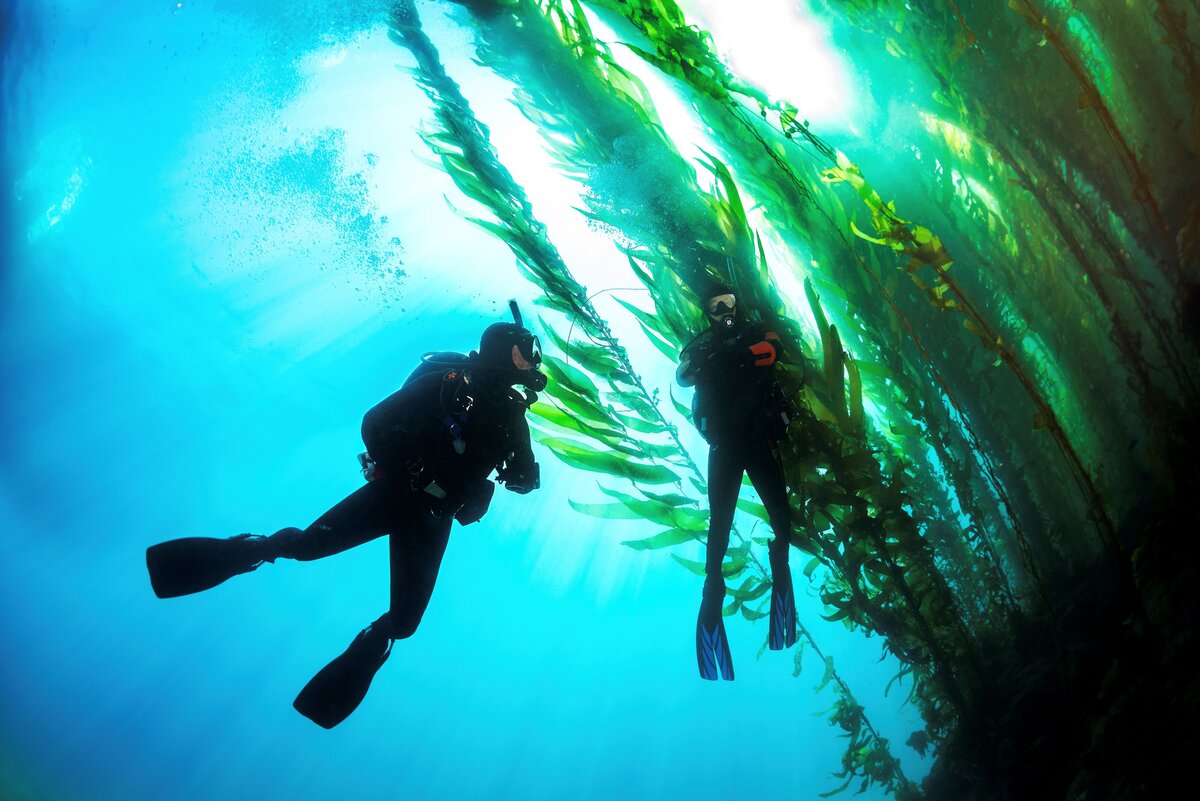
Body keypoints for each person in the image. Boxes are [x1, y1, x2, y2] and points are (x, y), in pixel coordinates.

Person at [146, 304, 545, 728]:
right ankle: (249, 550)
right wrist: (416, 472)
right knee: (308, 547)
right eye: (526, 350)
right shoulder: (448, 385)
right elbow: (375, 423)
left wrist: (524, 477)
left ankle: (368, 648)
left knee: (404, 623)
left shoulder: (513, 417)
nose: (533, 360)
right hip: (394, 494)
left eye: (533, 352)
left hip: (432, 518)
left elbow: (523, 475)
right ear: (500, 349)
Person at [676, 282, 797, 680]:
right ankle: (712, 593)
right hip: (726, 447)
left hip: (758, 439)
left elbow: (774, 350)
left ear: (737, 303)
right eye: (714, 307)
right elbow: (683, 375)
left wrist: (738, 354)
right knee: (720, 525)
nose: (723, 311)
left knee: (782, 517)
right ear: (706, 313)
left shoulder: (756, 331)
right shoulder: (703, 346)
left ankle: (780, 567)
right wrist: (711, 357)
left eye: (727, 302)